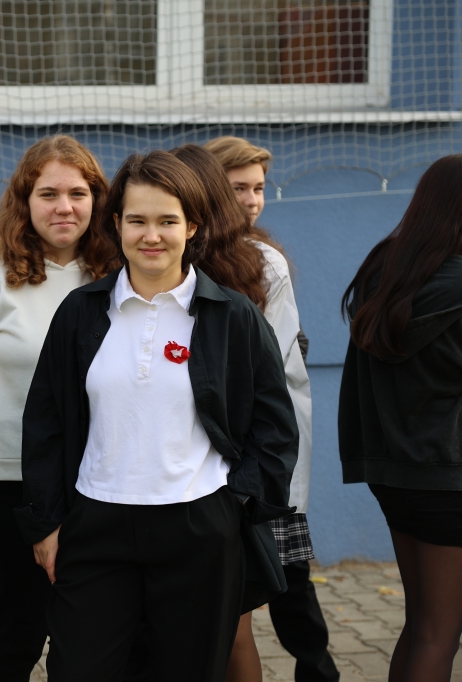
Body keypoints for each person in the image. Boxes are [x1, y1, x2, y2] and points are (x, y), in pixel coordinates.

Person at [18, 150, 298, 681]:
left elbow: (275, 428)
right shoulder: (80, 311)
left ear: (192, 226)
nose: (152, 236)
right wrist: (46, 523)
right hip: (95, 524)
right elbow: (46, 422)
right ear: (116, 224)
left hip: (198, 528)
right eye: (137, 221)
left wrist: (236, 506)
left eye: (167, 221)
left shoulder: (232, 316)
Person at [0, 136, 121, 682]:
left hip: (97, 481)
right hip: (8, 482)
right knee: (19, 630)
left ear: (98, 200)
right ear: (24, 201)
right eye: (48, 194)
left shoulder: (118, 277)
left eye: (78, 193)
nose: (64, 207)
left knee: (87, 638)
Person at [203, 136, 337, 682]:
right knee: (236, 604)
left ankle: (319, 672)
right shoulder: (179, 252)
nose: (253, 200)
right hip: (213, 466)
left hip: (264, 461)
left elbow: (281, 372)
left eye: (259, 188)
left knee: (289, 582)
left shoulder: (263, 261)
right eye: (239, 187)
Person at [340, 154, 462, 682]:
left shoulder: (386, 271)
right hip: (449, 477)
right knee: (440, 633)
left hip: (393, 474)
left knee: (422, 625)